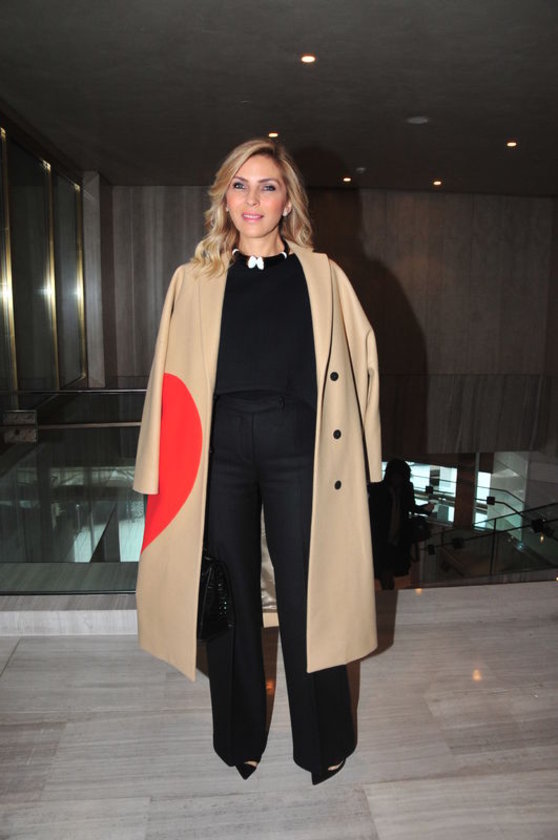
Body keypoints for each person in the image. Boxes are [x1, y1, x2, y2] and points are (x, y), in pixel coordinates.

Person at [133, 138, 382, 784]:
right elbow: (166, 382)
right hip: (219, 452)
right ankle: (238, 737)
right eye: (239, 186)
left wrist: (367, 459)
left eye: (267, 186)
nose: (252, 199)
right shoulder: (192, 281)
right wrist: (154, 470)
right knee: (229, 592)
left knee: (310, 593)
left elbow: (362, 364)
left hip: (300, 447)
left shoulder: (323, 275)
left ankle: (323, 741)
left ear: (287, 200)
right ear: (224, 199)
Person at [369, 459, 434, 590]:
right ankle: (386, 586)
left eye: (400, 476)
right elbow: (372, 512)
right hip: (382, 536)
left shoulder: (405, 489)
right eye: (396, 476)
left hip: (397, 536)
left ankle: (387, 587)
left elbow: (410, 506)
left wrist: (424, 509)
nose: (397, 480)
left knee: (390, 564)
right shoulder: (378, 490)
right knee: (385, 564)